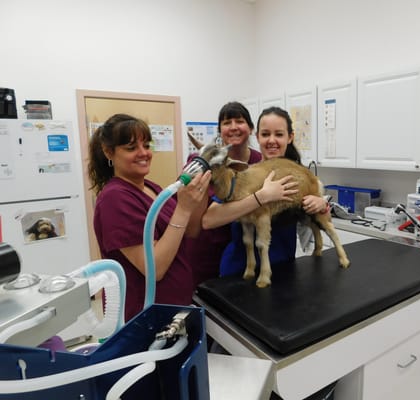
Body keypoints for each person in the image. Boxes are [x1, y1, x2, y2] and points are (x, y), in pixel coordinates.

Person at [88, 113, 211, 322]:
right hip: (144, 316)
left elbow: (190, 230)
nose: (143, 153)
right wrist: (182, 208)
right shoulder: (114, 199)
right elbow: (155, 268)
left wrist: (199, 195)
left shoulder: (151, 187)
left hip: (173, 308)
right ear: (109, 152)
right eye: (131, 148)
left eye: (146, 145)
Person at [202, 106, 329, 276]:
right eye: (265, 134)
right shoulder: (241, 174)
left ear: (290, 137)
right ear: (258, 137)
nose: (271, 140)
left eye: (279, 134)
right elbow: (208, 220)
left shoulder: (298, 176)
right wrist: (261, 197)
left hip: (285, 268)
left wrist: (321, 204)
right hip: (239, 271)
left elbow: (318, 222)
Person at [185, 102, 266, 287]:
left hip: (243, 251)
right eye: (227, 122)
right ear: (220, 130)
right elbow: (187, 205)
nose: (234, 127)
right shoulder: (200, 161)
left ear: (251, 128)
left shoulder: (260, 162)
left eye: (240, 121)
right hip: (205, 249)